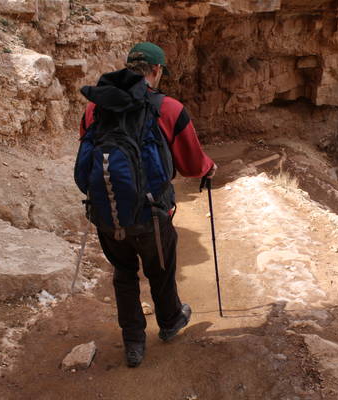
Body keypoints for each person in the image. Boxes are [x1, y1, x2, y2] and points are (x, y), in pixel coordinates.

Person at [78, 42, 217, 368]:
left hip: (108, 214)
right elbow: (191, 162)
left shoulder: (94, 108)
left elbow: (88, 157)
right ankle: (169, 323)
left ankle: (134, 344)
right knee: (161, 269)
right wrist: (209, 168)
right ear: (156, 71)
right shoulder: (168, 108)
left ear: (127, 67)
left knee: (124, 274)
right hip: (152, 214)